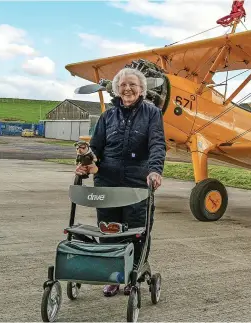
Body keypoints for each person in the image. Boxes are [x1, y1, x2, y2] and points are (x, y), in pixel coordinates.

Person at [75, 67, 166, 297]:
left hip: (137, 181)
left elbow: (157, 144)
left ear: (141, 89)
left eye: (132, 84)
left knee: (136, 230)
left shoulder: (152, 113)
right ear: (116, 89)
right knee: (108, 230)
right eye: (123, 85)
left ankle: (131, 275)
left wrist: (155, 170)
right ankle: (113, 276)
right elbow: (95, 148)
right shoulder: (107, 116)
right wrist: (85, 164)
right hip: (107, 180)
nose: (127, 88)